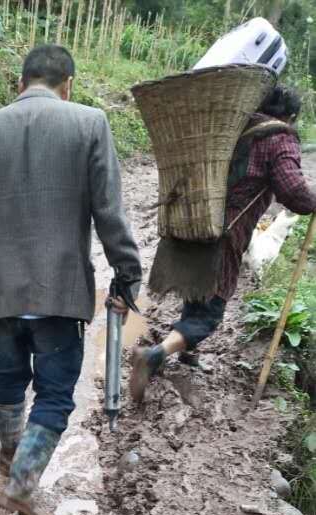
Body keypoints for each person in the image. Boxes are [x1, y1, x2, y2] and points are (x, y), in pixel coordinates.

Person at [0, 44, 142, 515]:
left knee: (9, 382)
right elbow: (108, 212)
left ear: (20, 82)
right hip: (60, 291)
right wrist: (127, 270)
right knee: (54, 395)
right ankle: (22, 484)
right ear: (67, 84)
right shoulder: (89, 123)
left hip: (4, 293)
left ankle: (12, 462)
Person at [130, 84, 316, 402]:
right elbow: (293, 192)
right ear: (291, 116)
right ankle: (157, 355)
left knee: (199, 287)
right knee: (210, 314)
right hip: (226, 231)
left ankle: (188, 353)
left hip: (194, 218)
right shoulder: (279, 137)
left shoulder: (231, 125)